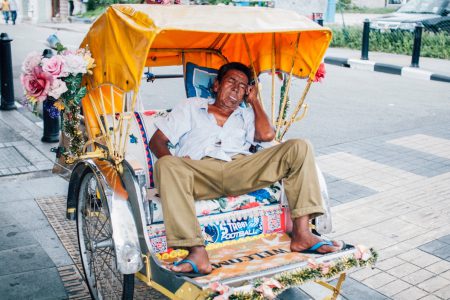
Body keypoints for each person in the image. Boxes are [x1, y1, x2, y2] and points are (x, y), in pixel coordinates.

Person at [149, 62, 344, 276]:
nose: (236, 88)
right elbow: (158, 141)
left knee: (300, 146)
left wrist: (254, 101)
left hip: (240, 168)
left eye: (243, 86)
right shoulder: (191, 106)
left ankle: (302, 235)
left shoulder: (246, 114)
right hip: (199, 172)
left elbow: (267, 136)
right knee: (166, 163)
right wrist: (176, 167)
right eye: (231, 81)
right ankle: (197, 252)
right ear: (216, 85)